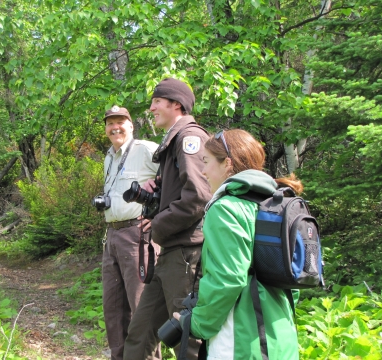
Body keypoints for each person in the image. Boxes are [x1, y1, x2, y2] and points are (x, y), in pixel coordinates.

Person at [173, 129, 300, 359]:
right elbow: (294, 278)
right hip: (281, 337)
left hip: (240, 341)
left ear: (227, 164)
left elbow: (227, 279)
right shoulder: (277, 206)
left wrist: (197, 324)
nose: (203, 171)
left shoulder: (226, 209)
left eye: (207, 161)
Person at [123, 78, 212, 360]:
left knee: (188, 340)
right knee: (140, 333)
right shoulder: (174, 139)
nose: (151, 108)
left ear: (176, 104)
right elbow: (182, 189)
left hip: (186, 254)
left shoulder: (190, 138)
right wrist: (159, 187)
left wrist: (159, 223)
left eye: (157, 102)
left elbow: (198, 196)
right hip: (171, 254)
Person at [99, 106, 160, 360]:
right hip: (112, 237)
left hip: (138, 235)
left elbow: (178, 179)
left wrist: (159, 217)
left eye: (120, 122)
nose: (115, 127)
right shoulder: (109, 157)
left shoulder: (147, 149)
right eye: (110, 123)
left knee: (141, 308)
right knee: (113, 310)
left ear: (131, 124)